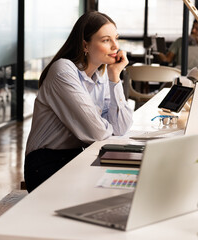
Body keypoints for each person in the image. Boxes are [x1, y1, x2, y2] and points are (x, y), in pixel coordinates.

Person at [24, 11, 134, 193]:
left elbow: (120, 128)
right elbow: (98, 133)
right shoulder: (63, 70)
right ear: (85, 45)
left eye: (116, 38)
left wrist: (115, 76)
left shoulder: (102, 75)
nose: (116, 46)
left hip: (75, 157)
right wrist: (105, 126)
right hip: (45, 163)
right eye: (106, 40)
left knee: (118, 187)